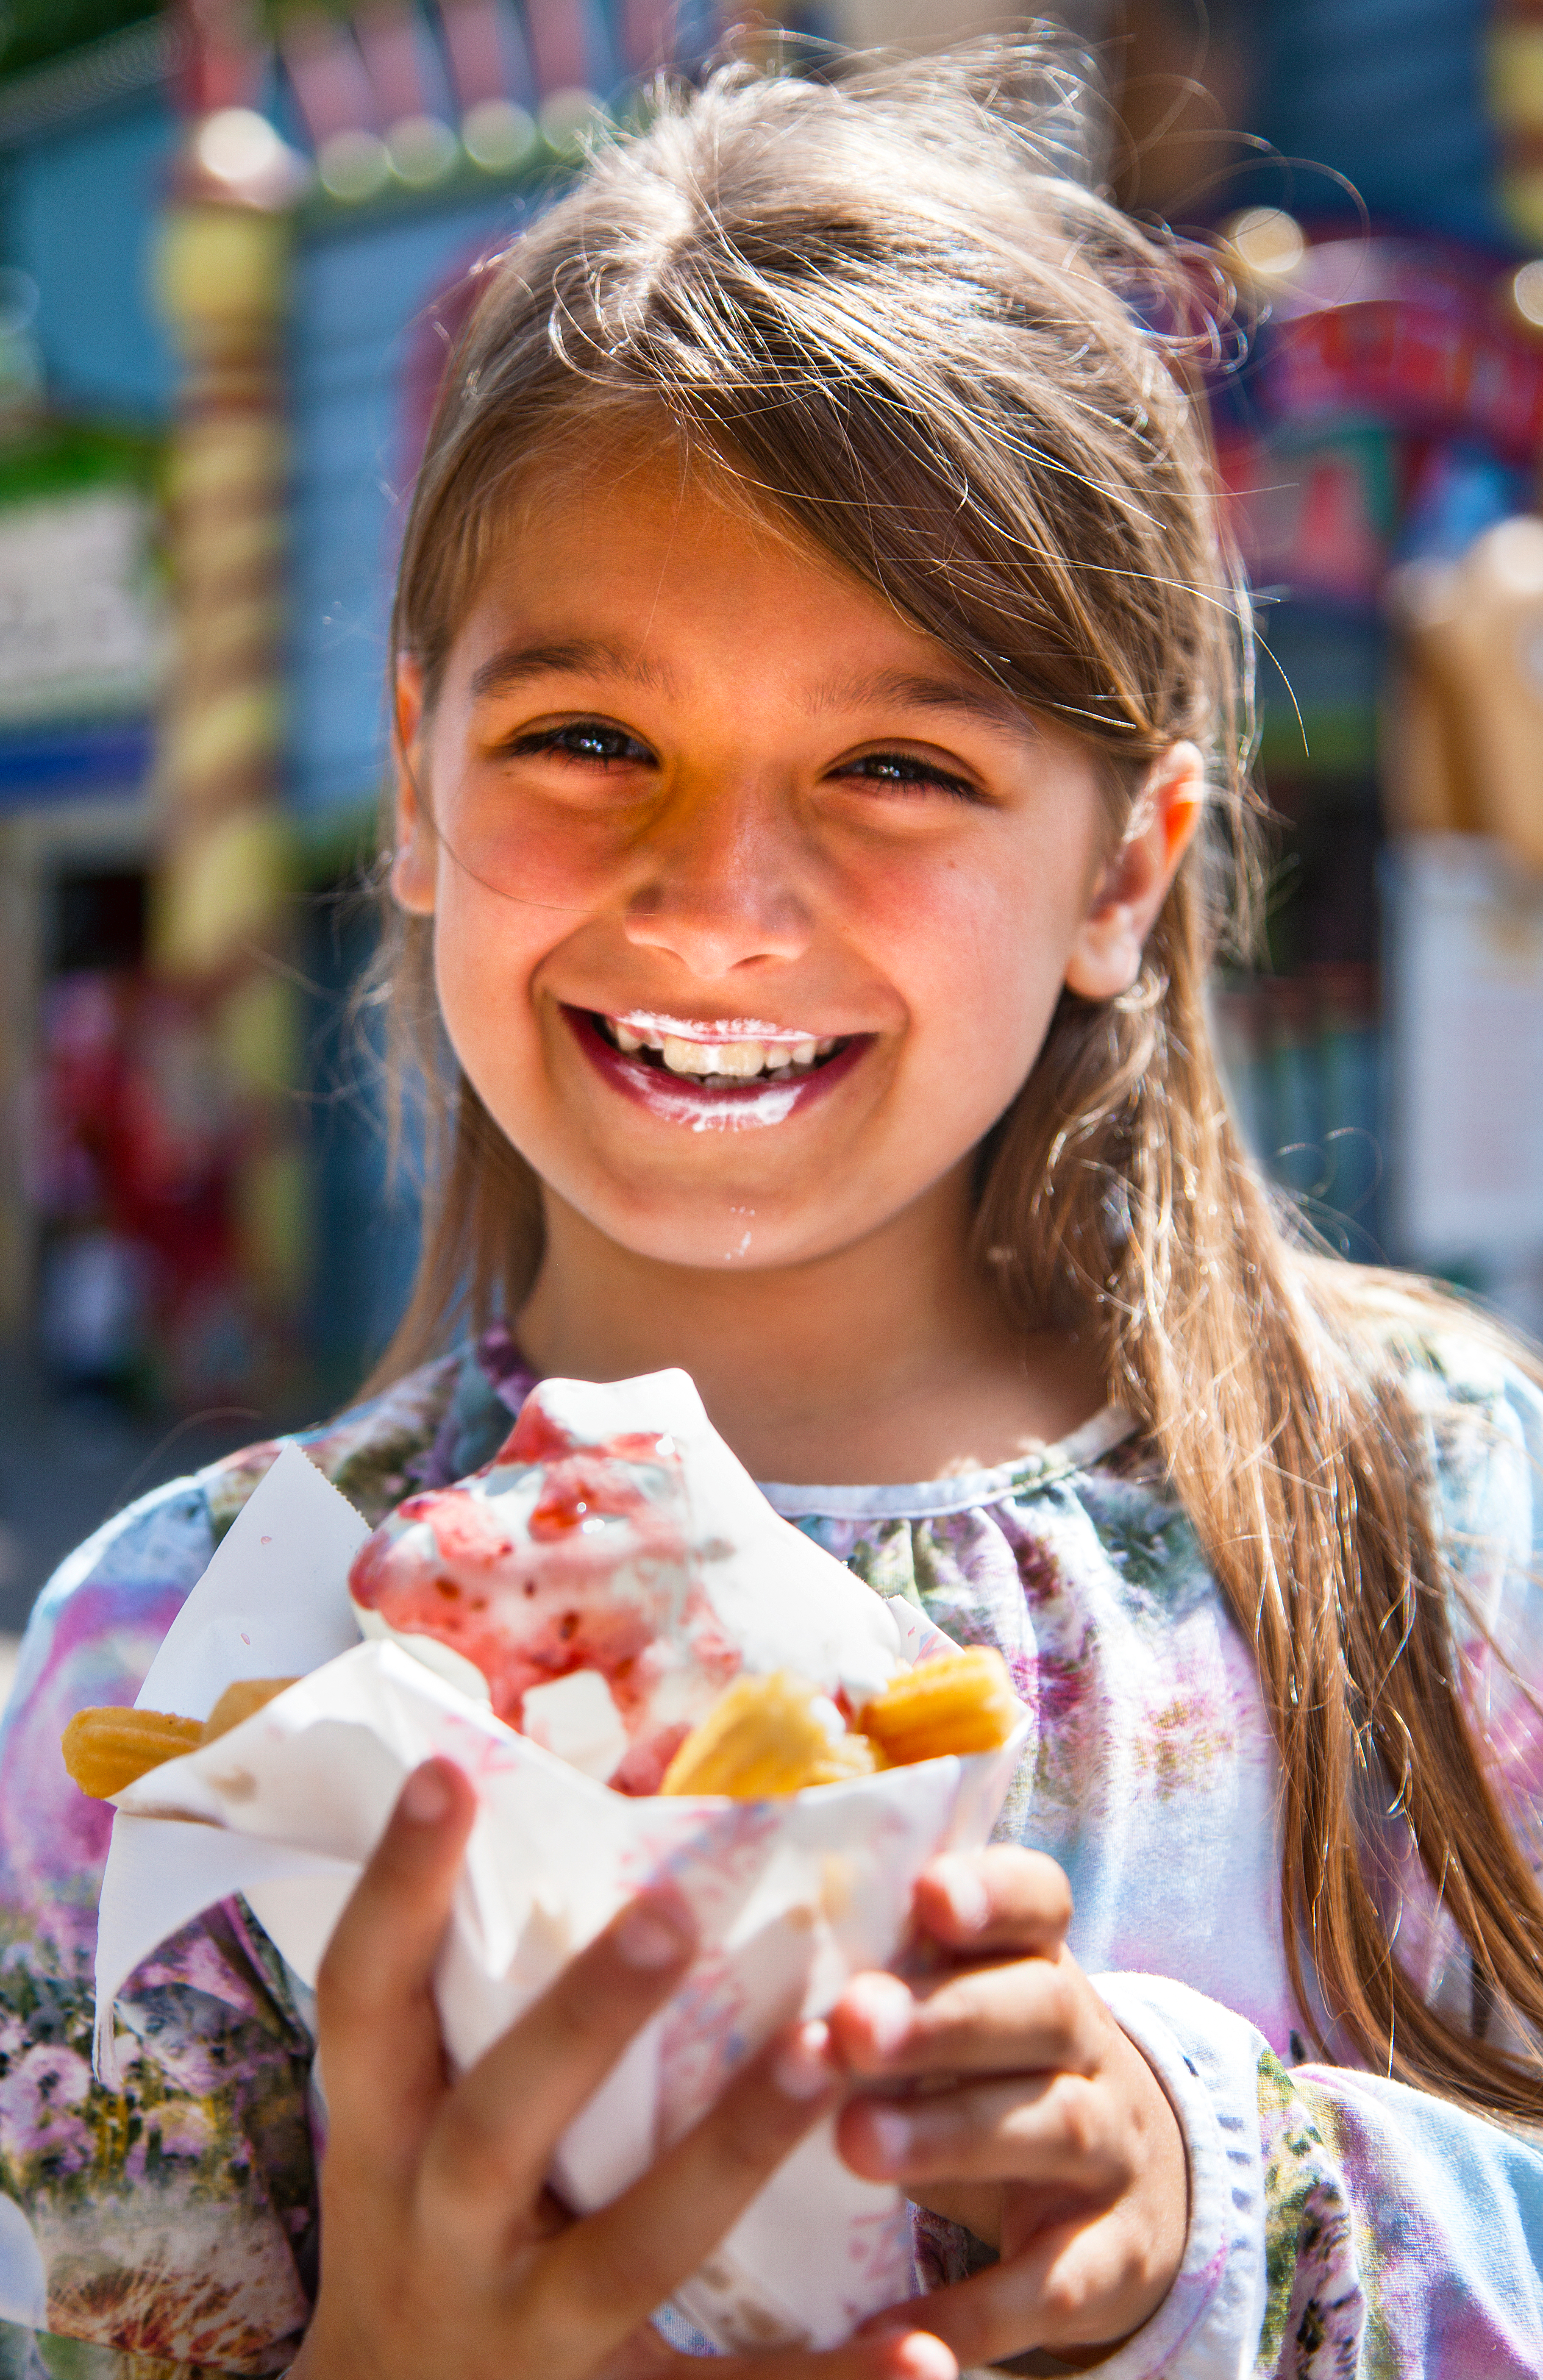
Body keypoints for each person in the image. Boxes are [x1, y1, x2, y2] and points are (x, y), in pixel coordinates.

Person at [3, 37, 1543, 2380]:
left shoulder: (1436, 1516)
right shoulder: (180, 1666)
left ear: (1126, 871)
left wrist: (1220, 2193)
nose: (720, 905)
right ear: (415, 788)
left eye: (901, 764)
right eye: (587, 740)